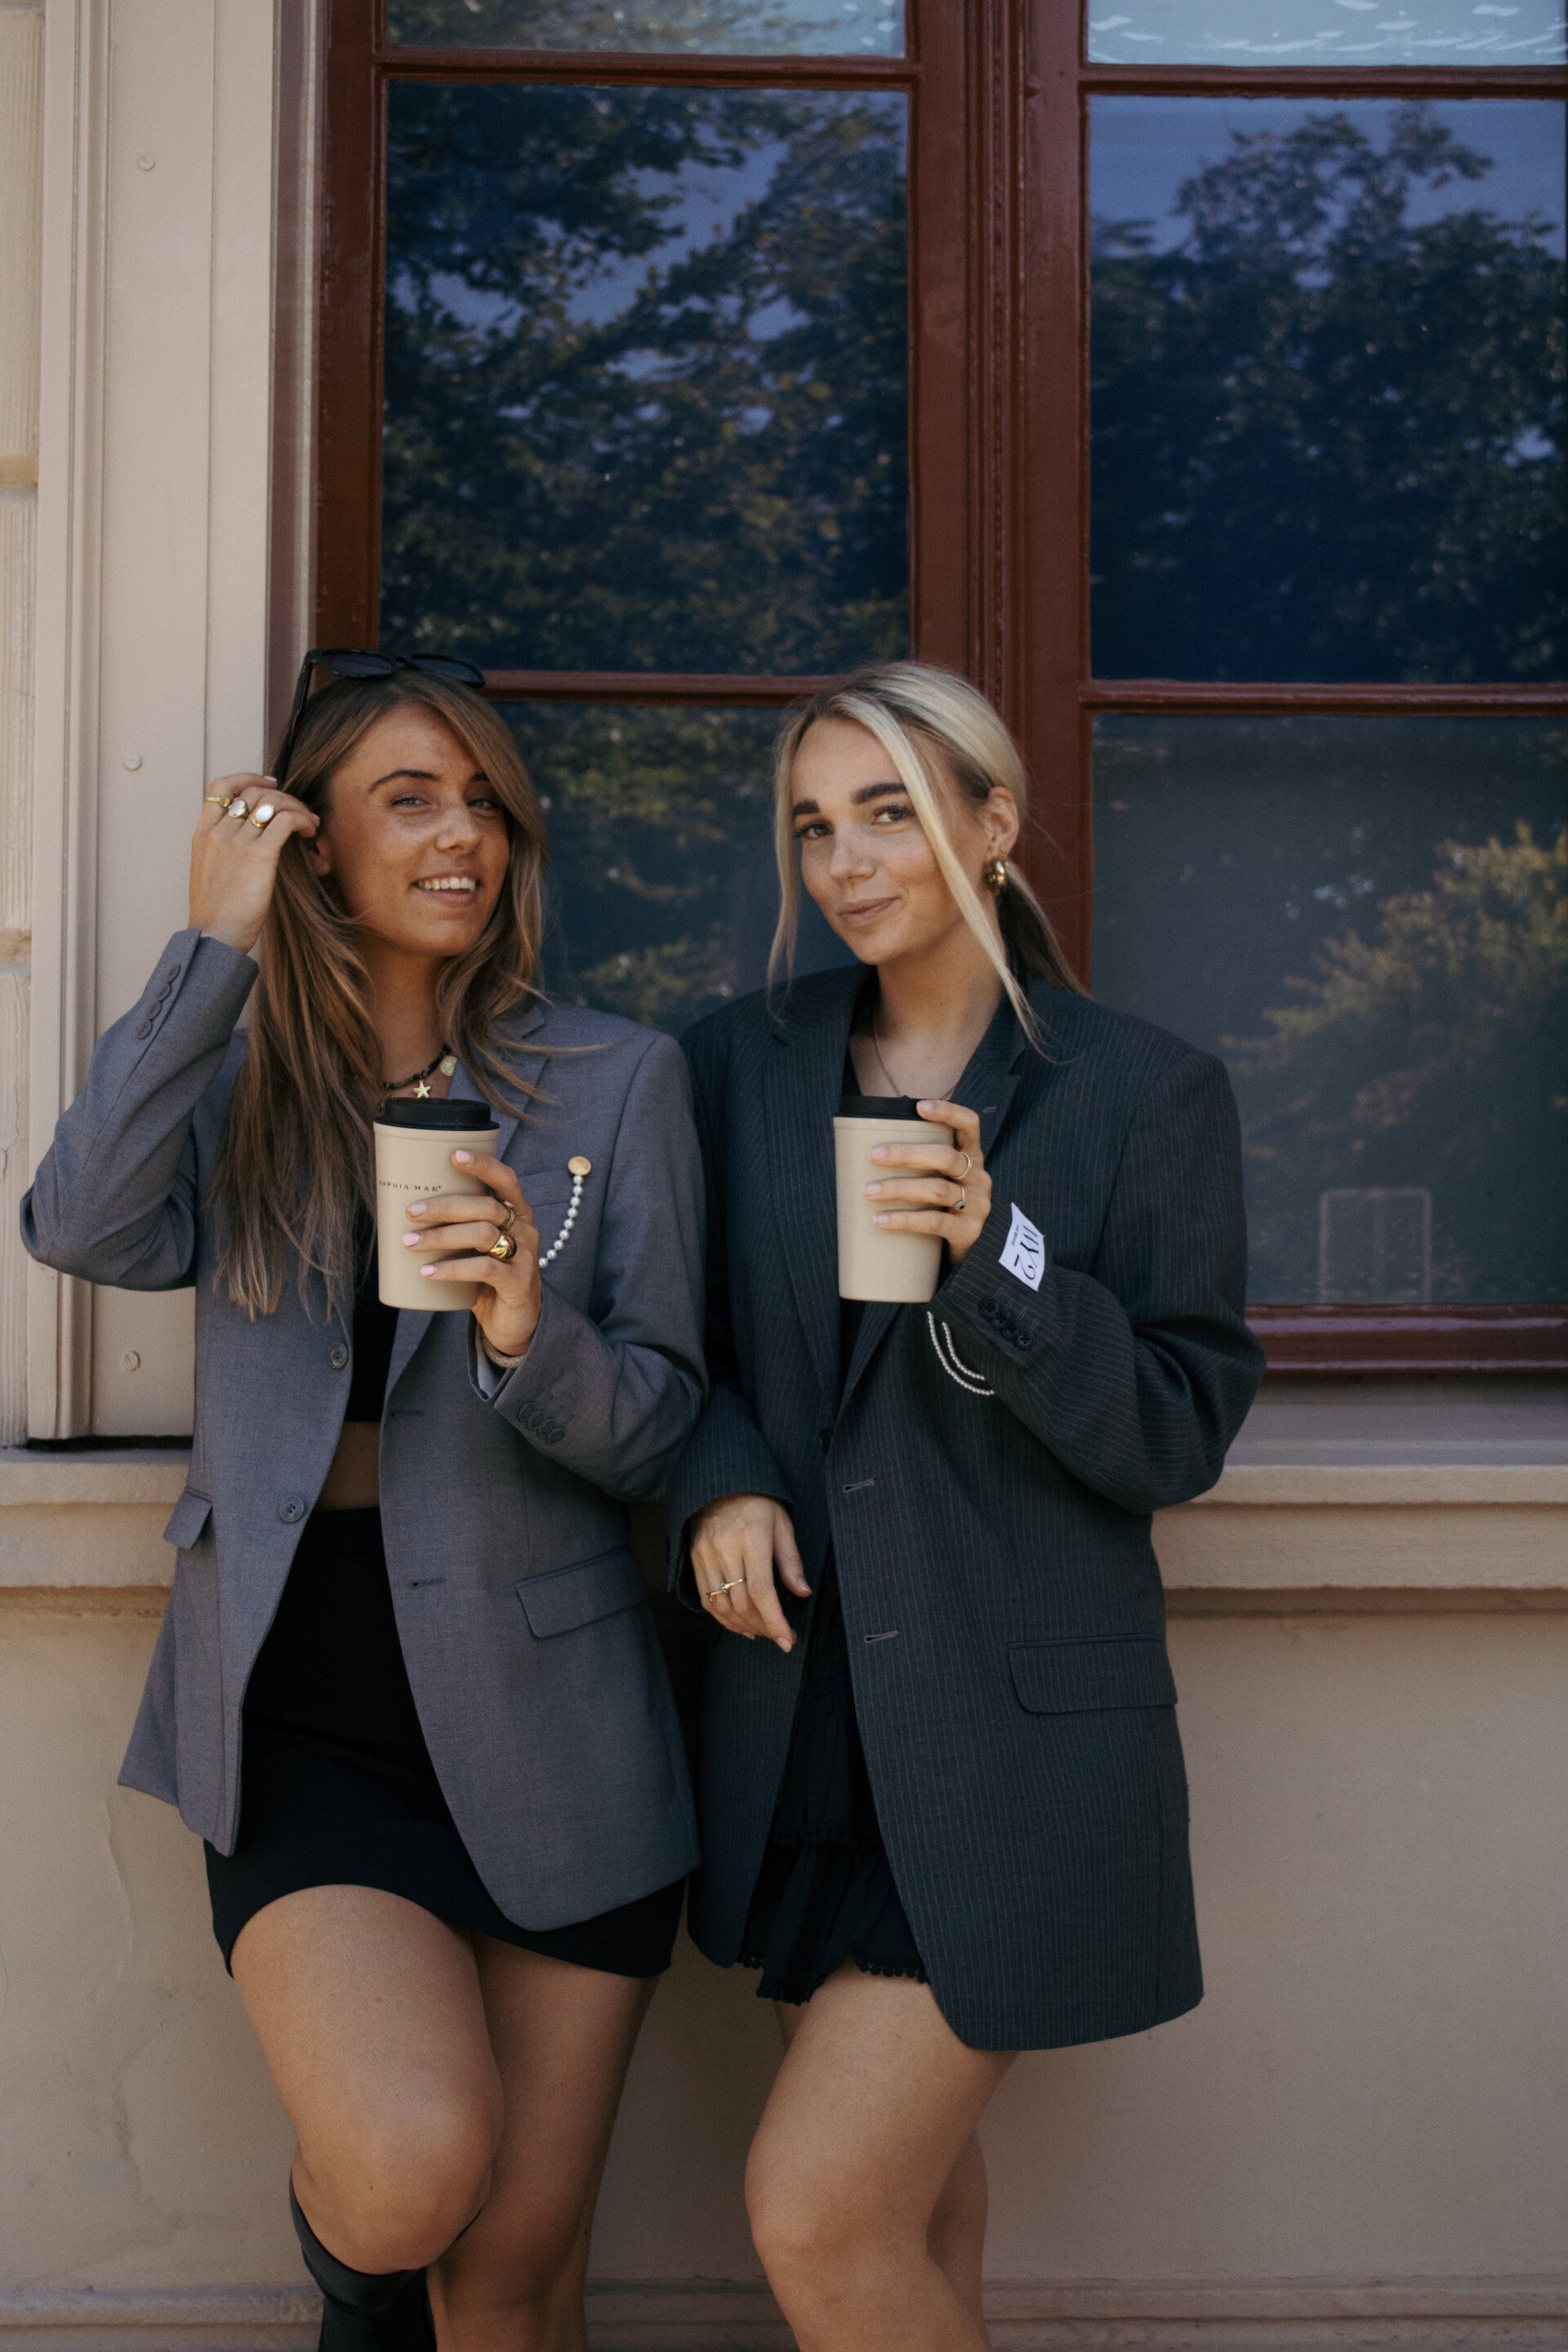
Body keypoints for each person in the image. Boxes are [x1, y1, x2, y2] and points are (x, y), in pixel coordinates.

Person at [22, 653, 706, 2352]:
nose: (462, 835)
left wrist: (530, 1332)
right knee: (406, 2175)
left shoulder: (616, 1080)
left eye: (484, 803)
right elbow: (82, 1225)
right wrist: (214, 944)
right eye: (410, 800)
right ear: (312, 838)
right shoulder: (237, 1073)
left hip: (560, 1721)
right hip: (301, 1706)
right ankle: (355, 2293)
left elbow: (662, 1427)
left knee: (512, 2279)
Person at [671, 661, 1265, 2352]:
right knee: (913, 2212)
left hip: (1012, 1748)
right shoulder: (735, 1067)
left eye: (890, 813)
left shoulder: (1141, 1090)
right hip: (799, 1724)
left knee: (817, 2214)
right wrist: (720, 1482)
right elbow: (681, 1349)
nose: (847, 862)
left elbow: (1178, 1430)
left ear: (994, 824)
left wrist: (997, 1255)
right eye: (815, 826)